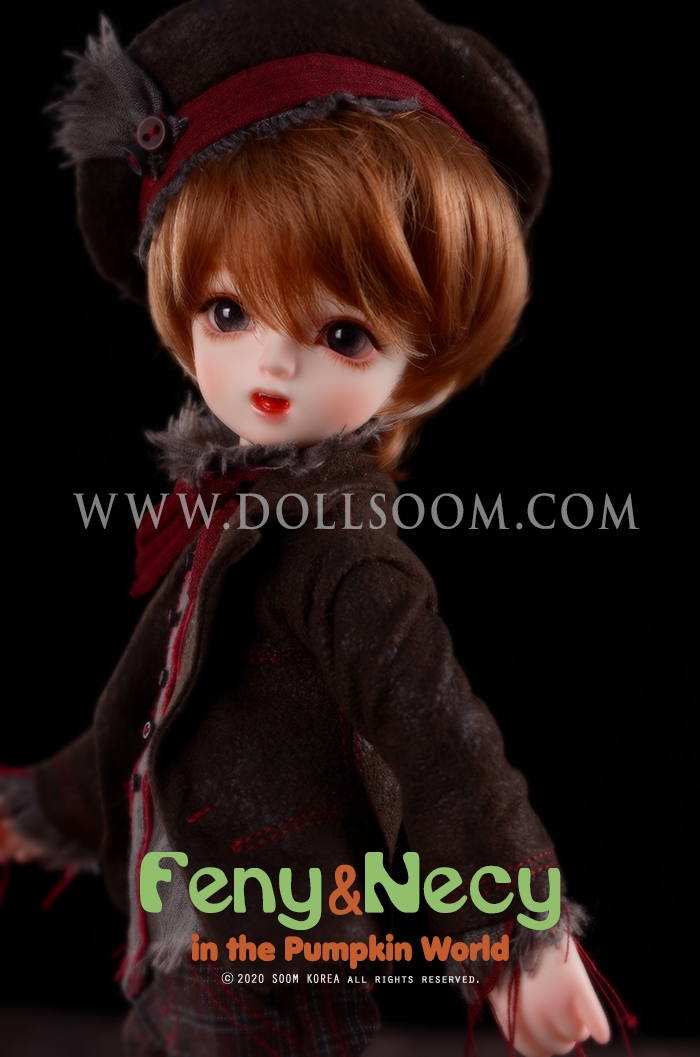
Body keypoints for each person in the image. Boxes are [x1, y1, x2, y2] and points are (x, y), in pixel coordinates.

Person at [0, 2, 615, 1054]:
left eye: (342, 331)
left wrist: (524, 939)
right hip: (187, 937)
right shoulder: (232, 523)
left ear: (418, 361)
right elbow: (153, 712)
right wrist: (40, 810)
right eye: (229, 312)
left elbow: (446, 748)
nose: (274, 365)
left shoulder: (348, 564)